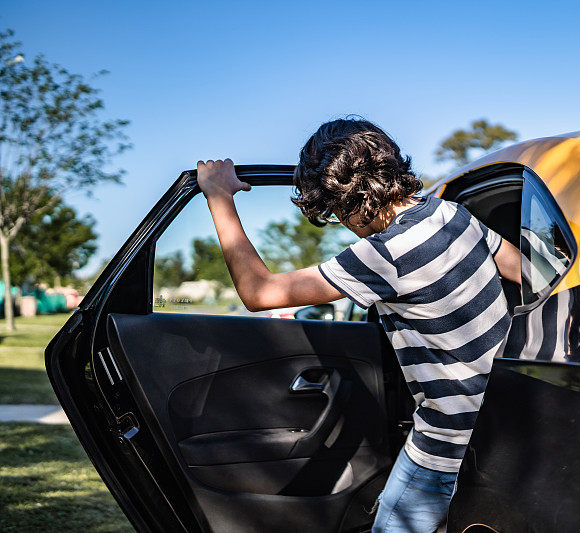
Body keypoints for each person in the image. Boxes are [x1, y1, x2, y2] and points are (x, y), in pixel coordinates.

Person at [197, 118, 521, 533]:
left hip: (444, 441)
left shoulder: (383, 254)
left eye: (333, 211)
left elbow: (260, 293)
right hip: (496, 424)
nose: (341, 223)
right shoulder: (451, 214)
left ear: (346, 197)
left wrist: (219, 197)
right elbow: (521, 268)